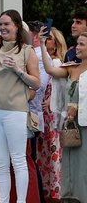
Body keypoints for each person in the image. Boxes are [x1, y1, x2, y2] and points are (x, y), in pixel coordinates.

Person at [0, 9, 41, 203]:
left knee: (18, 161)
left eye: (6, 24)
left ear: (17, 26)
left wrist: (18, 70)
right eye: (0, 24)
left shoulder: (27, 51)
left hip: (15, 111)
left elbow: (36, 83)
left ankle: (20, 201)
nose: (2, 27)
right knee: (0, 163)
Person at [47, 32, 87, 202]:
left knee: (83, 165)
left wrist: (76, 106)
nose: (77, 47)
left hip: (85, 123)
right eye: (77, 44)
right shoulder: (72, 67)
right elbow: (50, 70)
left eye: (82, 44)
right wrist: (42, 43)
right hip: (71, 124)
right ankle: (70, 197)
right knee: (69, 162)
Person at [38, 26, 69, 203]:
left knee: (53, 150)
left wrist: (50, 100)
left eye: (49, 38)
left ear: (56, 43)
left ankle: (55, 191)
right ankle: (50, 190)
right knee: (48, 151)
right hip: (46, 114)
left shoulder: (56, 62)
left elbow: (59, 87)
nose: (46, 41)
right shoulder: (47, 61)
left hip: (53, 114)